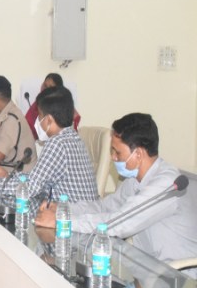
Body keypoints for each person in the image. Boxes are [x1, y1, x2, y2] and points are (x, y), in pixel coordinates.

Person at [36, 113, 197, 264]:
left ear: (138, 154)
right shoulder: (135, 180)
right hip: (147, 269)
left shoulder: (168, 184)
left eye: (117, 152)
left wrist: (63, 222)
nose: (113, 157)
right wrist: (63, 209)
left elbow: (119, 223)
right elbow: (103, 207)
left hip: (177, 275)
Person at [0, 87, 99, 215]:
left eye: (39, 116)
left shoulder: (57, 143)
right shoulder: (73, 138)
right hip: (82, 213)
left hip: (69, 217)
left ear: (49, 120)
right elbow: (39, 177)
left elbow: (31, 188)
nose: (37, 121)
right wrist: (8, 176)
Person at [25, 73, 81, 139]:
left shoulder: (66, 109)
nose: (45, 89)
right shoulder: (37, 104)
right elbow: (26, 126)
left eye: (50, 87)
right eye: (45, 85)